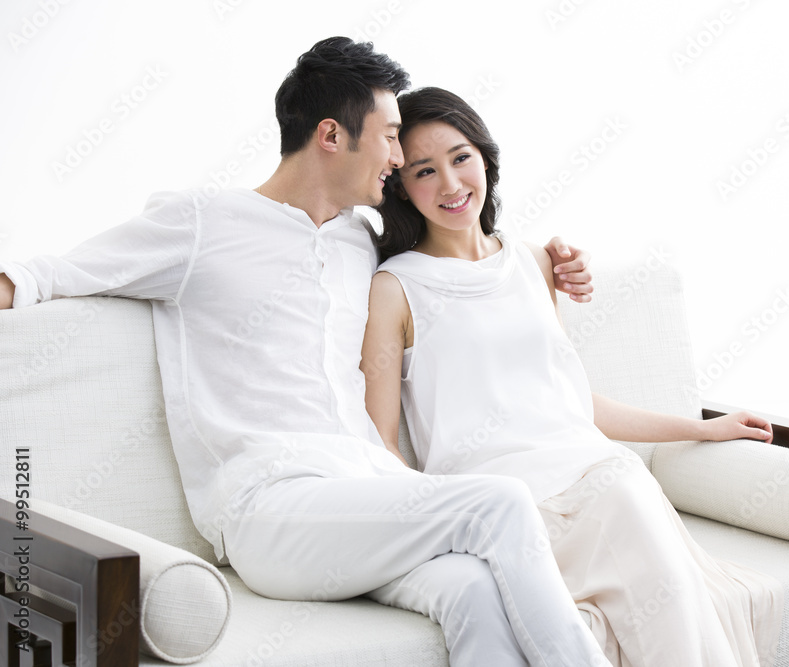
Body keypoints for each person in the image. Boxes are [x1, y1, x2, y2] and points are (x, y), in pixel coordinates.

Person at [0, 38, 614, 667]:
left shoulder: (359, 244)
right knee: (500, 500)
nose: (400, 158)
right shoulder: (203, 223)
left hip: (365, 497)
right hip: (270, 509)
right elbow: (49, 273)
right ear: (330, 134)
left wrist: (551, 262)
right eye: (391, 136)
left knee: (473, 589)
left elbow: (454, 276)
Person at [362, 86, 785, 667]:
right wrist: (433, 532)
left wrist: (705, 429)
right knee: (643, 542)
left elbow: (571, 405)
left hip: (597, 477)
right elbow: (382, 442)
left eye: (461, 158)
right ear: (402, 187)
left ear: (485, 157)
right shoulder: (397, 287)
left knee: (641, 522)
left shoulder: (536, 262)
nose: (452, 184)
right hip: (506, 507)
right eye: (424, 171)